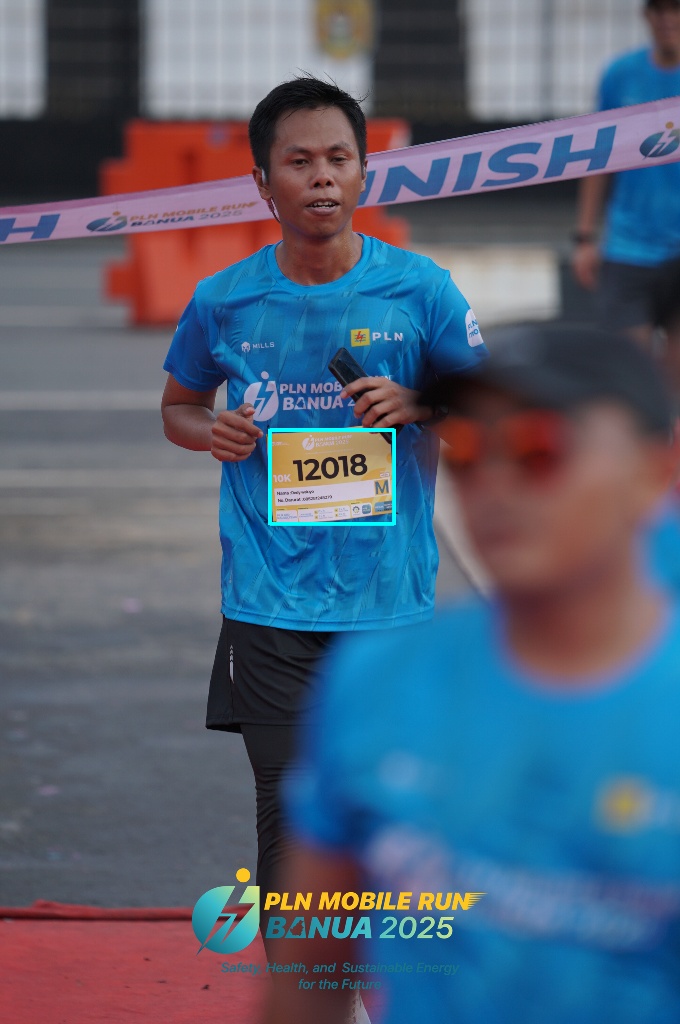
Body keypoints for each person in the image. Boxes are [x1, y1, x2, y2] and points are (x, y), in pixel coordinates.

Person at [267, 324, 679, 1024]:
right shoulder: (377, 678)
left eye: (539, 449)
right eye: (464, 451)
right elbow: (309, 971)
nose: (494, 484)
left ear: (654, 471)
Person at [160, 75, 486, 936]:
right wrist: (212, 430)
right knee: (289, 814)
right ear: (262, 182)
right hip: (268, 603)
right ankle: (314, 990)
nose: (322, 178)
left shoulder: (420, 290)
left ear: (364, 172)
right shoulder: (224, 300)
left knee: (382, 814)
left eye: (339, 158)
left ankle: (379, 981)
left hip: (389, 604)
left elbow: (490, 406)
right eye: (299, 162)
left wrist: (421, 404)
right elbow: (178, 407)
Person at [571, 0, 680, 346]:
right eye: (658, 9)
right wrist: (584, 238)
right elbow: (597, 158)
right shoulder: (620, 74)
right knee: (630, 366)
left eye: (675, 8)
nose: (667, 18)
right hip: (629, 247)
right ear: (646, 15)